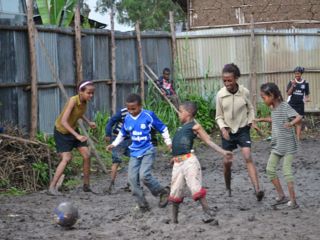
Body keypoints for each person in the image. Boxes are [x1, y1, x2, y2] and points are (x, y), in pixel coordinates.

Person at [169, 101, 233, 224]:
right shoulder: (180, 128)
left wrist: (223, 152)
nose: (178, 114)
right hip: (177, 163)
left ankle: (207, 212)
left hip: (189, 162)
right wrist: (174, 157)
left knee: (195, 187)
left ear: (188, 113)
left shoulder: (195, 126)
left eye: (180, 112)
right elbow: (178, 145)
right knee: (175, 191)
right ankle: (174, 220)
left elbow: (208, 141)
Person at [107, 93, 171, 212]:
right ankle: (143, 204)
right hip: (134, 152)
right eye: (129, 109)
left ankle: (163, 192)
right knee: (132, 179)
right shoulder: (127, 118)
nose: (131, 111)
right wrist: (114, 144)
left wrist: (168, 142)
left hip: (148, 149)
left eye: (134, 108)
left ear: (140, 106)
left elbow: (163, 128)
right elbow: (122, 133)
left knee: (144, 175)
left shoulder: (148, 115)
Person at [215, 63, 264, 200]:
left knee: (247, 156)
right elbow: (218, 116)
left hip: (243, 129)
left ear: (236, 78)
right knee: (227, 162)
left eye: (229, 80)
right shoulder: (220, 95)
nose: (227, 83)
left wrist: (251, 121)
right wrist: (222, 128)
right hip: (228, 132)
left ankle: (257, 189)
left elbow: (251, 109)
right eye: (224, 80)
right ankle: (228, 188)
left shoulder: (244, 92)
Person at [256, 82, 302, 209]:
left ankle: (293, 201)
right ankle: (281, 195)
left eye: (264, 97)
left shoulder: (285, 106)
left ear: (272, 95)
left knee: (286, 172)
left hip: (288, 145)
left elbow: (299, 117)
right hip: (277, 145)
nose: (263, 100)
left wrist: (291, 123)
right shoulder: (273, 108)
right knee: (270, 169)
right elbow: (274, 119)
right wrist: (261, 120)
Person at [48, 80, 96, 196]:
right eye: (89, 93)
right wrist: (77, 136)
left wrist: (88, 122)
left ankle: (86, 186)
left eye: (92, 93)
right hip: (62, 131)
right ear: (80, 91)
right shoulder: (72, 100)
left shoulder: (84, 101)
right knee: (67, 158)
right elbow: (64, 121)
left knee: (86, 155)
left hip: (73, 129)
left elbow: (78, 113)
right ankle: (52, 188)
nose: (91, 95)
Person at [105, 107, 131, 193]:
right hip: (117, 138)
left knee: (135, 160)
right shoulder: (123, 112)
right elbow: (110, 122)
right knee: (116, 161)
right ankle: (111, 185)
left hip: (130, 139)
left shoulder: (141, 114)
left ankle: (130, 184)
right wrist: (108, 134)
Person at [286, 66, 310, 140]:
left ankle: (298, 139)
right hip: (291, 104)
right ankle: (287, 138)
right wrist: (293, 85)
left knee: (299, 122)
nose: (297, 75)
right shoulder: (291, 82)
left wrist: (306, 99)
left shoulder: (305, 83)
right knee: (288, 120)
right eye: (295, 74)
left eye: (298, 74)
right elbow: (289, 94)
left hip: (300, 105)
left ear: (301, 74)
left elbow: (306, 94)